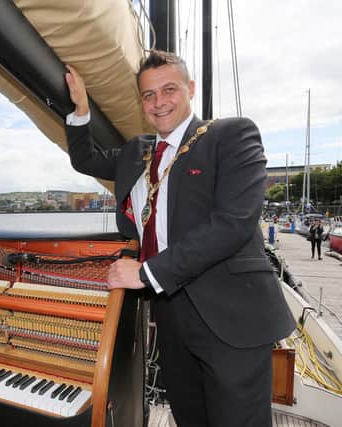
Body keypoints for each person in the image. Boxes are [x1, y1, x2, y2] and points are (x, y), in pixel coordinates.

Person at [64, 50, 295, 427]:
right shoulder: (136, 152)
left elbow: (233, 223)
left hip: (231, 315)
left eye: (168, 90)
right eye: (148, 95)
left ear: (189, 89)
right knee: (191, 418)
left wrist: (143, 273)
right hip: (171, 317)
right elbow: (85, 160)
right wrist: (80, 108)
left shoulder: (231, 135)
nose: (159, 102)